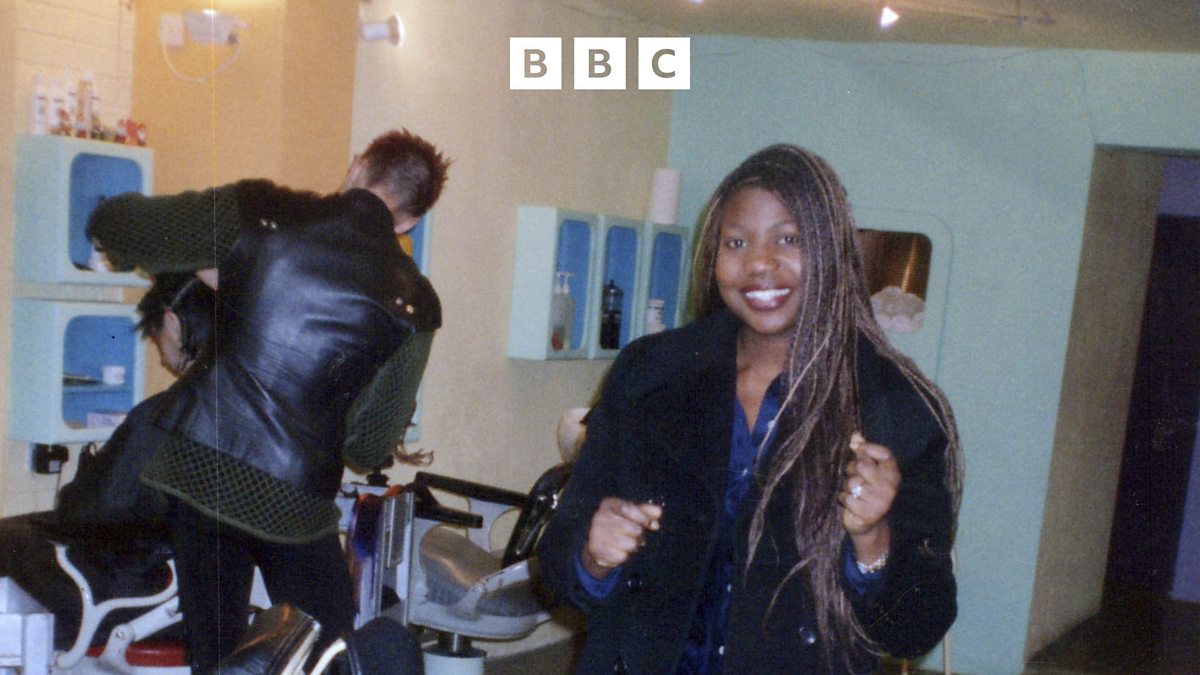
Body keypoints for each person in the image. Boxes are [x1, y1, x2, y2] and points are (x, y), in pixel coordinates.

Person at [536, 144, 963, 674]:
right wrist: (592, 555)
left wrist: (872, 540)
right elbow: (557, 568)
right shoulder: (650, 375)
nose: (759, 263)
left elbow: (919, 625)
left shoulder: (895, 407)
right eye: (736, 242)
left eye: (788, 239)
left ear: (832, 250)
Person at [85, 129, 450, 670]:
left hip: (199, 473)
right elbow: (369, 448)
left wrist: (119, 219)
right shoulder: (415, 303)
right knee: (332, 655)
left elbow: (122, 229)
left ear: (356, 168)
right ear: (409, 222)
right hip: (294, 500)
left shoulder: (261, 211)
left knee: (218, 655)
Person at [0, 273, 216, 650]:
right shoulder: (241, 405)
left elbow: (94, 509)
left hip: (137, 594)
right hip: (199, 595)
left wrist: (75, 491)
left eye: (155, 337)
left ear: (171, 324)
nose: (160, 354)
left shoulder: (162, 416)